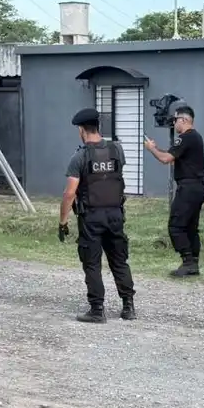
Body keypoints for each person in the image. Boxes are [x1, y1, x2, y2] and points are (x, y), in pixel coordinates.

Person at [60, 107, 134, 323]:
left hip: (91, 217)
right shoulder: (117, 150)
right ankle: (128, 306)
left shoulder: (80, 156)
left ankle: (97, 309)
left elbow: (70, 193)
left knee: (92, 263)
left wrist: (63, 221)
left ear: (82, 130)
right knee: (119, 260)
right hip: (115, 214)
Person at [145, 102, 204, 277]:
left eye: (176, 120)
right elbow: (172, 157)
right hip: (197, 187)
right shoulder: (195, 137)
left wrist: (151, 149)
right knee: (190, 227)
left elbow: (165, 159)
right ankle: (193, 264)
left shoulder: (186, 137)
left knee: (176, 226)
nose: (174, 123)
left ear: (184, 120)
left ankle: (187, 261)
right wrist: (157, 149)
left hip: (188, 188)